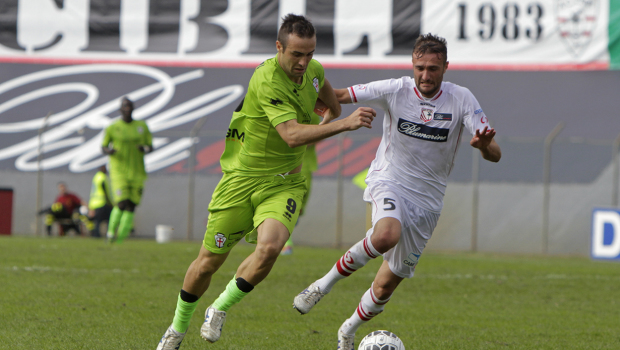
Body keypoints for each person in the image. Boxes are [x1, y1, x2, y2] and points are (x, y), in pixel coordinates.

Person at [156, 14, 376, 350]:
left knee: (270, 248)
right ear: (279, 48)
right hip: (242, 182)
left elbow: (330, 105)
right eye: (296, 54)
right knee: (207, 264)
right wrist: (342, 126)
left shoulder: (314, 73)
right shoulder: (267, 78)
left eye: (310, 54)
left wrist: (325, 125)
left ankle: (220, 307)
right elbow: (290, 135)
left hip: (285, 183)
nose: (304, 62)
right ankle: (176, 328)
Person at [292, 33, 502, 349]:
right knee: (385, 234)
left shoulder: (462, 99)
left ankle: (347, 331)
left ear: (446, 66)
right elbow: (336, 95)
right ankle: (321, 286)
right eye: (420, 67)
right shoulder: (395, 88)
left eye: (433, 68)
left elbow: (495, 153)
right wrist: (303, 91)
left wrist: (485, 146)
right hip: (389, 179)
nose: (425, 75)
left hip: (428, 203)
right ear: (412, 65)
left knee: (386, 285)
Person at [101, 97, 153, 243]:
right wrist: (109, 151)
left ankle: (120, 241)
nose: (127, 109)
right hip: (119, 171)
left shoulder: (142, 126)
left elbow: (150, 146)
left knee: (131, 206)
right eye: (125, 106)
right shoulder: (113, 127)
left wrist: (145, 148)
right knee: (121, 203)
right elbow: (103, 146)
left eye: (129, 106)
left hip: (137, 172)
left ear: (133, 108)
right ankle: (111, 234)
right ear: (120, 109)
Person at [280, 112, 321, 255]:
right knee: (283, 202)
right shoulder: (282, 110)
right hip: (282, 165)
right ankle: (284, 241)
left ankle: (283, 236)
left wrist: (303, 139)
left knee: (299, 207)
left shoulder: (312, 114)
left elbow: (317, 135)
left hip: (305, 166)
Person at [88, 165, 114, 238]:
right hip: (102, 202)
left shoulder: (96, 177)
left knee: (97, 221)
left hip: (94, 203)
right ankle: (110, 234)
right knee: (110, 219)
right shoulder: (103, 177)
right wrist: (110, 203)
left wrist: (91, 206)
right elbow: (106, 191)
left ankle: (96, 234)